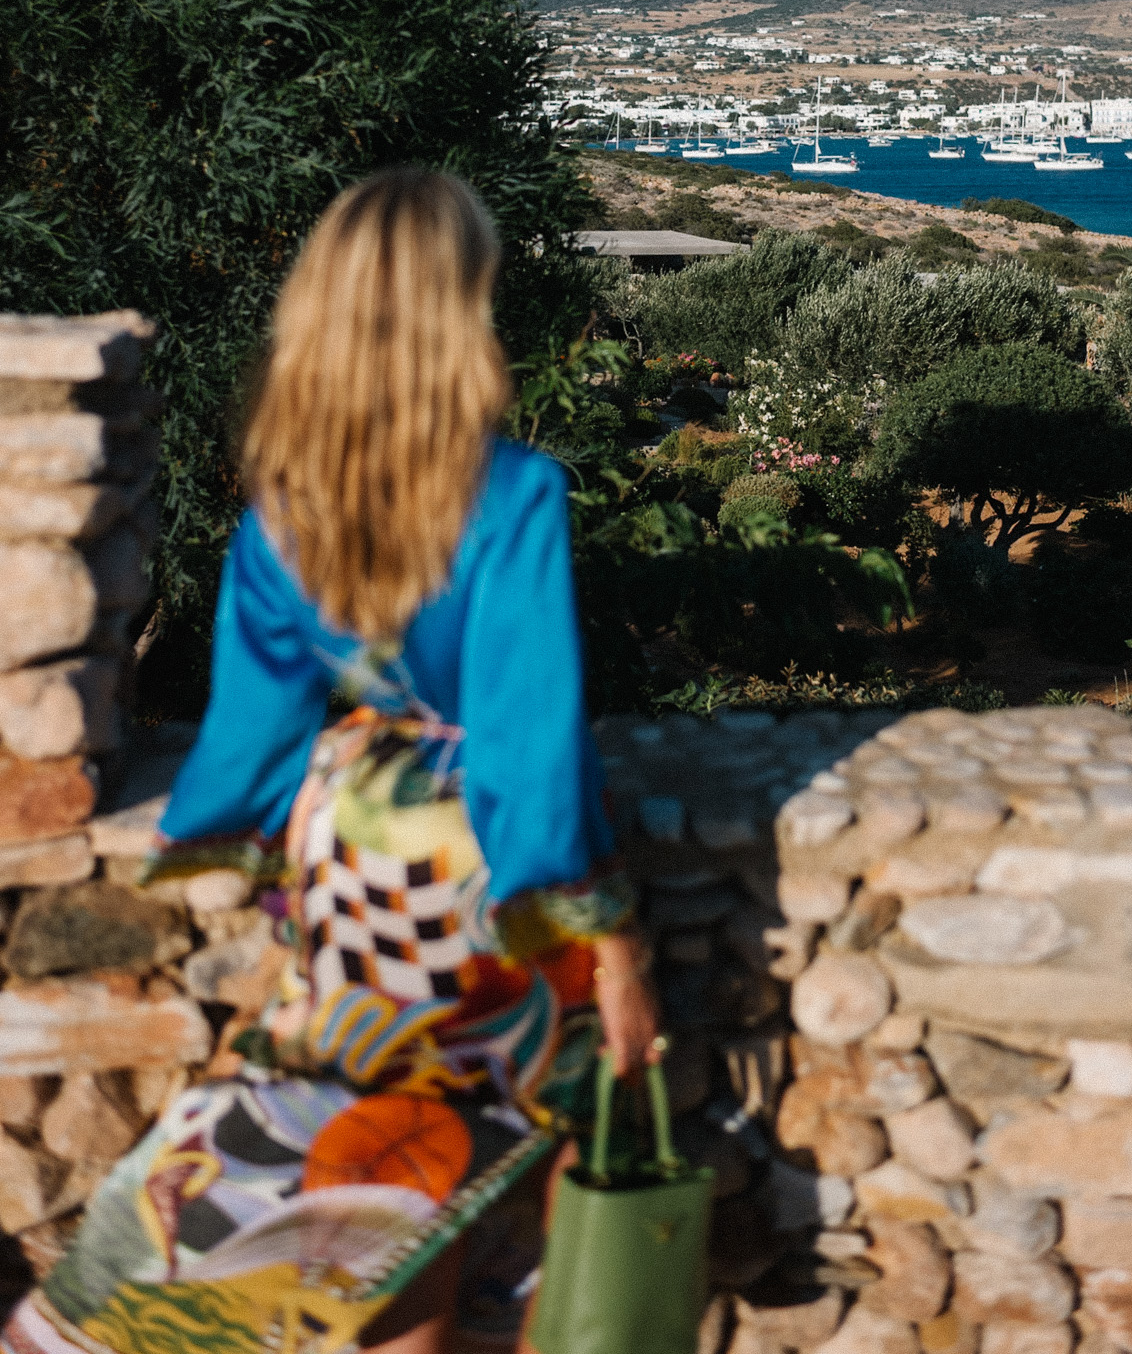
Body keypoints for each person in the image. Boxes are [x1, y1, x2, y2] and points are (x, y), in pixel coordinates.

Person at [4, 170, 659, 1354]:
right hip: (472, 868)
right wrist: (610, 946)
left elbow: (258, 719)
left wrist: (217, 848)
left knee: (378, 1169)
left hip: (346, 848)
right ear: (460, 309)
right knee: (435, 1171)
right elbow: (524, 733)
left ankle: (105, 1312)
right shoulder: (515, 492)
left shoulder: (284, 502)